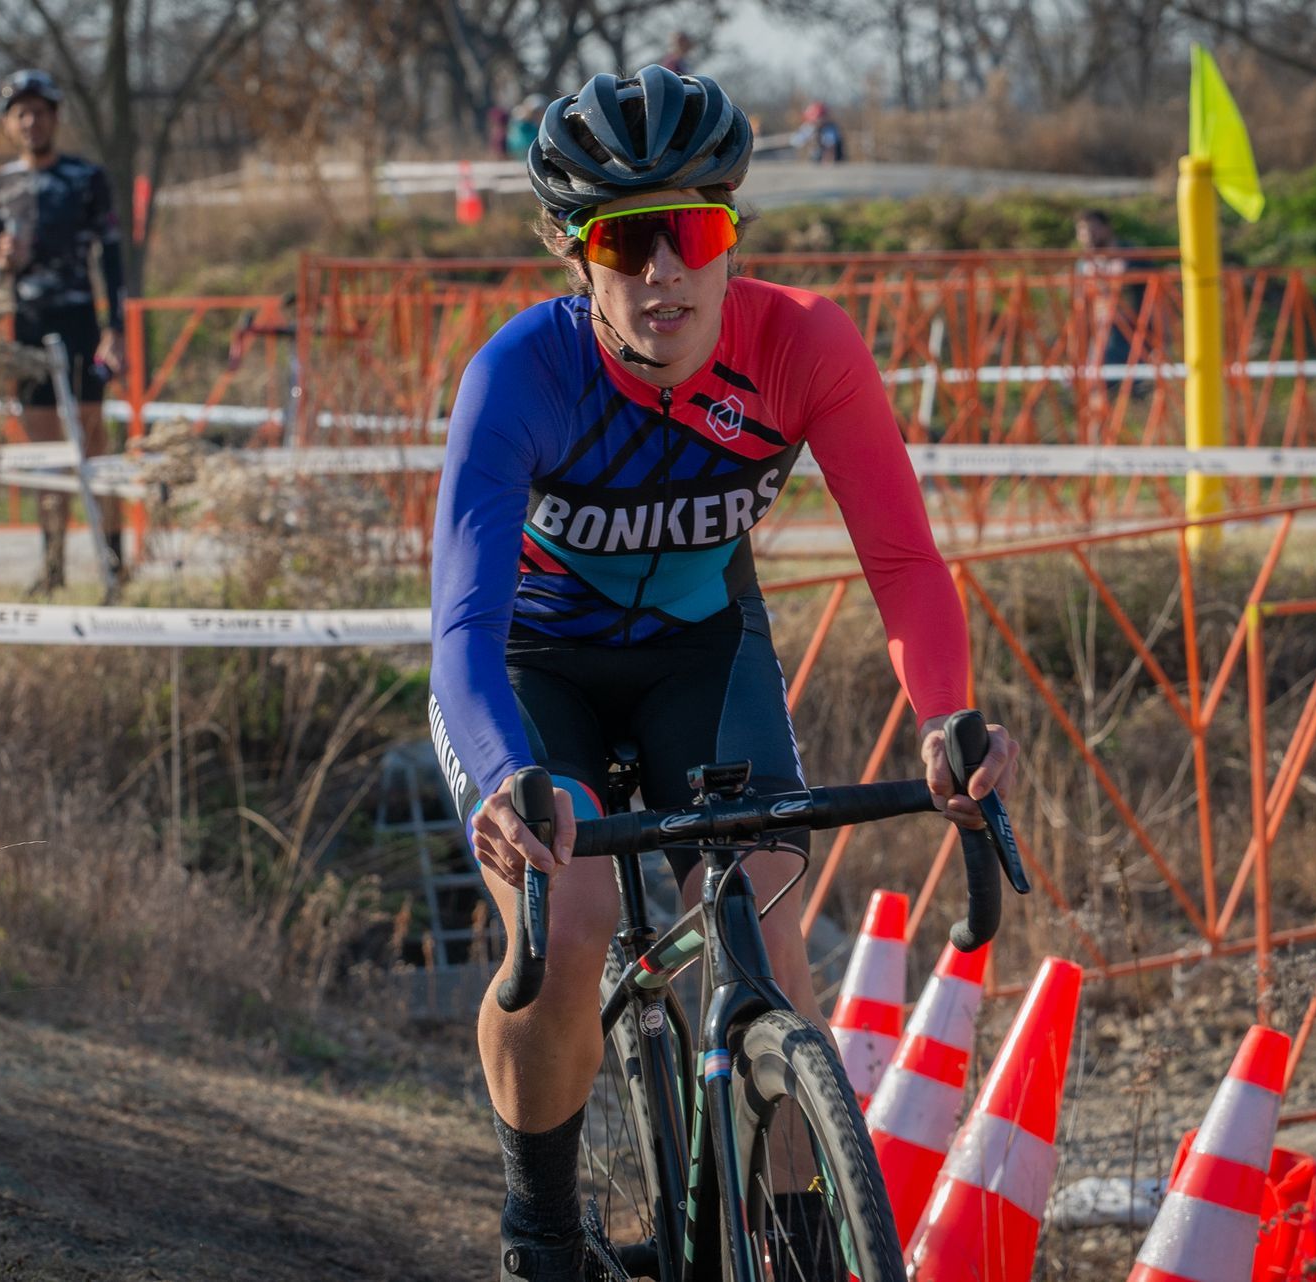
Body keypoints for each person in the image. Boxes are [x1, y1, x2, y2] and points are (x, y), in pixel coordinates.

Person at [428, 65, 1018, 1281]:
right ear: (571, 252)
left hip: (704, 650)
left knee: (769, 929)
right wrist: (502, 778)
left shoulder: (801, 346)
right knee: (575, 915)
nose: (662, 273)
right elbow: (464, 624)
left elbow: (901, 554)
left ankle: (799, 1241)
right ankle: (540, 1232)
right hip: (538, 667)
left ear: (730, 232)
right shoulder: (520, 376)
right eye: (624, 240)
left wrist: (949, 718)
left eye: (690, 232)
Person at [0, 68, 128, 592]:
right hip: (27, 327)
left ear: (54, 118)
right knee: (44, 453)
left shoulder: (86, 179)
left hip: (79, 323)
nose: (30, 121)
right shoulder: (0, 184)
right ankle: (53, 569)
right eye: (20, 112)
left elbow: (111, 257)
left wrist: (117, 328)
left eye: (39, 111)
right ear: (8, 123)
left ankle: (113, 561)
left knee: (92, 445)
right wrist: (2, 263)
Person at [1074, 208, 1151, 398]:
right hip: (1100, 341)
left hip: (1135, 338)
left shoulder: (1133, 258)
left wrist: (1161, 341)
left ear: (1107, 228)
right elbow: (1081, 310)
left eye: (1092, 229)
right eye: (1082, 231)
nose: (1088, 236)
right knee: (1096, 393)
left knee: (1138, 397)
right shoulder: (1084, 265)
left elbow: (1155, 300)